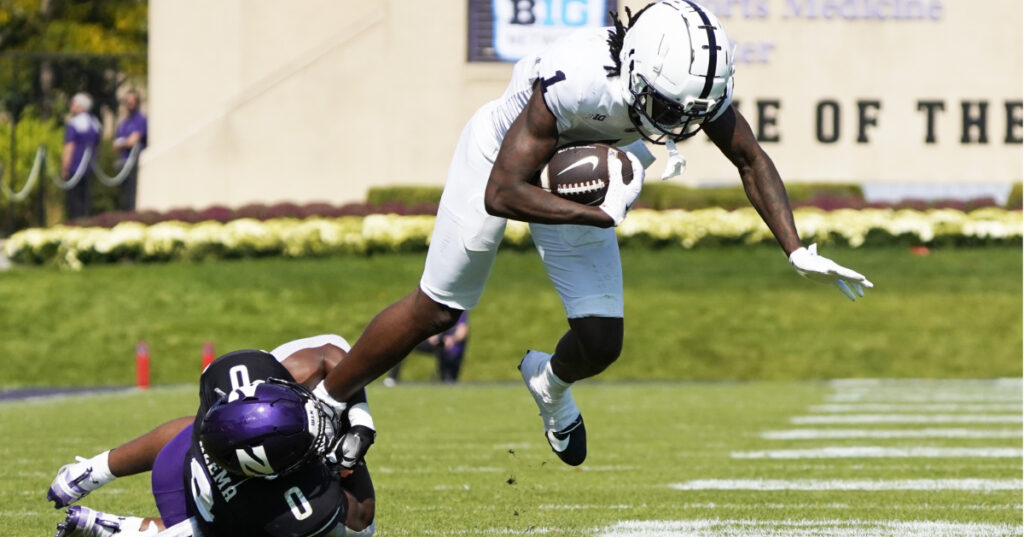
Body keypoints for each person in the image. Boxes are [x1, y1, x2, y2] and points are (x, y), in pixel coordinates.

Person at [315, 0, 873, 467]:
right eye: (668, 108)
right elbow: (502, 192)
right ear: (634, 70)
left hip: (583, 163)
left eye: (687, 113)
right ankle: (325, 399)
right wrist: (596, 214)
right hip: (500, 158)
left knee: (602, 342)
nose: (677, 125)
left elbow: (749, 158)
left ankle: (549, 384)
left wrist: (794, 248)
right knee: (438, 310)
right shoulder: (576, 81)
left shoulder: (687, 81)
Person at [46, 335, 377, 537]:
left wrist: (360, 422)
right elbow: (361, 521)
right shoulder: (296, 506)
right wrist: (354, 431)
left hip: (176, 460)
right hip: (212, 517)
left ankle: (91, 472)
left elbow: (336, 350)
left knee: (197, 427)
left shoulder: (246, 378)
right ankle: (135, 532)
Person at [385, 311, 469, 385]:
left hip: (449, 345)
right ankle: (392, 378)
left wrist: (452, 339)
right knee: (403, 345)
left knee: (444, 353)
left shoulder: (459, 310)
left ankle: (446, 380)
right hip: (435, 341)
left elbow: (463, 330)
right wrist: (431, 334)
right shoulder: (438, 307)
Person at [63, 92, 101, 220]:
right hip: (90, 167)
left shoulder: (74, 123)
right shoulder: (95, 123)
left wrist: (65, 167)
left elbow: (70, 146)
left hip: (75, 167)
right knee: (86, 201)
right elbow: (97, 148)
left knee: (74, 202)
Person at [112, 90, 148, 212]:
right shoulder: (123, 123)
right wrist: (124, 143)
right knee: (123, 195)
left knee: (132, 194)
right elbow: (116, 145)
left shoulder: (141, 120)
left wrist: (124, 143)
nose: (129, 105)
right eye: (127, 102)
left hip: (134, 163)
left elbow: (133, 140)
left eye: (132, 102)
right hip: (123, 163)